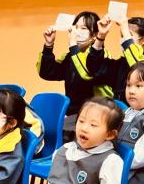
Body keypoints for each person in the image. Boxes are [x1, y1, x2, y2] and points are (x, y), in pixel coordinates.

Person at [38, 11, 112, 142]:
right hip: (73, 115)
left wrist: (73, 46)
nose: (77, 32)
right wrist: (49, 45)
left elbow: (85, 74)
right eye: (76, 27)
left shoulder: (101, 56)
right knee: (42, 131)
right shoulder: (71, 56)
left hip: (96, 113)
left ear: (95, 34)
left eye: (83, 28)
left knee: (62, 137)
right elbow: (48, 73)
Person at [86, 14, 144, 105]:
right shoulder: (123, 63)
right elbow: (95, 68)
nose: (124, 40)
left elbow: (141, 69)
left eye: (128, 35)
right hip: (122, 112)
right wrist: (100, 37)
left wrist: (125, 31)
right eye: (122, 36)